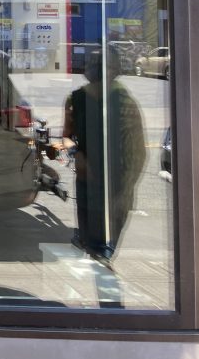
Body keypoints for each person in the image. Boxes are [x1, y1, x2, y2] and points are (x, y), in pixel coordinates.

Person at [62, 49, 146, 265]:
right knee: (92, 242)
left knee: (102, 248)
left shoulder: (125, 103)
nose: (96, 69)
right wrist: (75, 153)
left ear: (115, 70)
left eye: (102, 65)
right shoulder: (75, 99)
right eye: (93, 63)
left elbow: (136, 154)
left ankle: (101, 262)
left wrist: (123, 190)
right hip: (87, 180)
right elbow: (66, 136)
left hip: (115, 183)